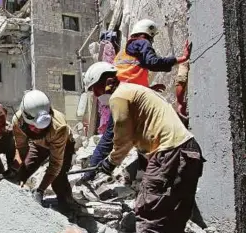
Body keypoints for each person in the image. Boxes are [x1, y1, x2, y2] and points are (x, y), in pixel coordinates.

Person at [83, 62, 205, 233]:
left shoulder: (120, 96)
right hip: (189, 151)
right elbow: (138, 133)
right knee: (175, 213)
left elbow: (122, 137)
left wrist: (110, 163)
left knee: (148, 208)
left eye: (95, 90)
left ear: (107, 82)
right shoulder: (138, 92)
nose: (95, 96)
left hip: (169, 152)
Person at [79, 19, 192, 182]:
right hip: (125, 99)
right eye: (151, 38)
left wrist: (149, 89)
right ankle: (92, 174)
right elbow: (152, 62)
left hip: (123, 96)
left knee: (124, 136)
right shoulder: (141, 42)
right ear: (147, 34)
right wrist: (181, 59)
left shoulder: (125, 51)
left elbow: (129, 77)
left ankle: (140, 172)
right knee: (117, 137)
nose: (150, 42)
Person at [12, 90, 78, 217]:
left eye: (42, 127)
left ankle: (68, 207)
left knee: (59, 179)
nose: (38, 130)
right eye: (34, 127)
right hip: (38, 144)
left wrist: (40, 190)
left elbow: (55, 165)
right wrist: (15, 170)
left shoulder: (59, 126)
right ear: (26, 119)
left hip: (64, 144)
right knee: (23, 170)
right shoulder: (18, 121)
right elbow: (21, 149)